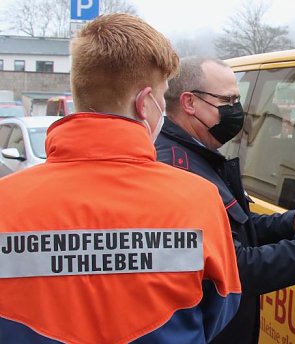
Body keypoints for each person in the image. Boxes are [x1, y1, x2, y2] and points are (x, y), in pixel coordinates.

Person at [0, 14, 241, 343]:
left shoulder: (5, 200)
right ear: (144, 103)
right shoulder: (199, 198)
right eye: (163, 96)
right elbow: (220, 307)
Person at [155, 56, 295, 344]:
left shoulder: (198, 153)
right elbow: (236, 268)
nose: (237, 111)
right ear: (189, 103)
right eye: (227, 100)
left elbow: (232, 227)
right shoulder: (179, 170)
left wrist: (292, 222)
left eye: (237, 100)